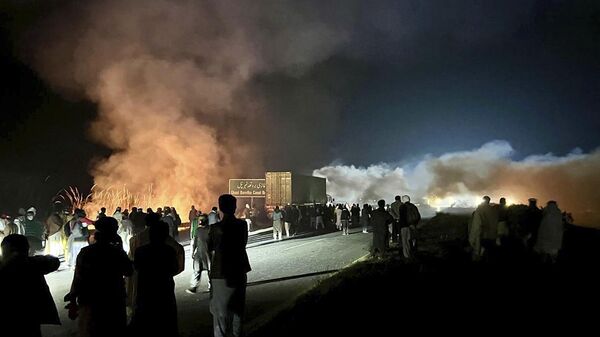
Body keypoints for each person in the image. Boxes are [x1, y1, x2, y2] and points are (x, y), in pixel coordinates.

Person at [65, 217, 133, 337]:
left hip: (90, 300)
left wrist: (73, 301)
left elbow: (78, 278)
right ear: (112, 231)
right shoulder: (117, 253)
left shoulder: (85, 252)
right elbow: (128, 271)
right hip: (113, 299)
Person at [0, 234, 61, 337]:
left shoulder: (29, 263)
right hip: (30, 317)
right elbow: (54, 261)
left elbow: (54, 262)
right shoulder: (33, 264)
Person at [208, 194, 251, 337]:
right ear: (234, 207)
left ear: (220, 207)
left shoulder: (214, 228)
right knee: (238, 310)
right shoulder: (242, 225)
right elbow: (242, 243)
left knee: (220, 315)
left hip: (220, 272)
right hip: (239, 269)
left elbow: (210, 247)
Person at [127, 213, 184, 318]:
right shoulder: (166, 240)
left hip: (143, 285)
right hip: (164, 285)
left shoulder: (135, 240)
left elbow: (132, 265)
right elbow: (178, 260)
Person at [131, 222, 179, 337]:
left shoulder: (140, 251)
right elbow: (175, 269)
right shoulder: (169, 250)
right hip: (165, 291)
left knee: (146, 322)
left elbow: (136, 268)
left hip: (145, 291)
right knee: (166, 322)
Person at [187, 209, 212, 294]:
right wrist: (192, 252)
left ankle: (211, 286)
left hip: (208, 253)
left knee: (210, 271)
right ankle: (194, 287)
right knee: (196, 270)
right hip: (200, 253)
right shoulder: (198, 230)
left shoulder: (211, 230)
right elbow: (194, 242)